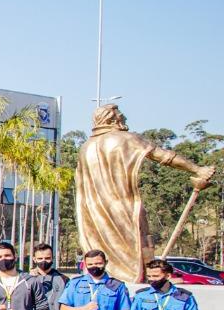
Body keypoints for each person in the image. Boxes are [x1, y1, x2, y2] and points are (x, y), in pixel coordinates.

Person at [76, 103, 214, 281]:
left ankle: (130, 276)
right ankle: (142, 276)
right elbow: (164, 156)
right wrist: (197, 169)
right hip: (122, 204)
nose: (123, 118)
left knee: (105, 243)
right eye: (120, 115)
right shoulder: (125, 138)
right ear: (111, 119)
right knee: (139, 240)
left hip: (93, 209)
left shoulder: (85, 147)